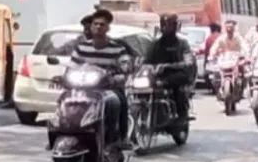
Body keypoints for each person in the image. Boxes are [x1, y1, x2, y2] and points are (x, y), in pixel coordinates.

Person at [70, 8, 133, 150]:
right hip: (83, 87)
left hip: (107, 88)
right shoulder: (81, 47)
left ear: (108, 27)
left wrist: (118, 77)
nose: (98, 27)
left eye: (102, 24)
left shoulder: (117, 49)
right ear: (90, 27)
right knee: (65, 99)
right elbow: (72, 66)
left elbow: (124, 68)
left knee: (118, 101)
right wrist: (64, 77)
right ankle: (60, 132)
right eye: (95, 24)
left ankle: (119, 138)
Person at [141, 14, 195, 144]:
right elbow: (146, 60)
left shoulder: (182, 44)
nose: (166, 28)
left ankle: (181, 116)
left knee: (177, 86)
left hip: (178, 74)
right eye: (164, 24)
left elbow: (188, 61)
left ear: (176, 26)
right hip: (158, 75)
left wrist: (171, 66)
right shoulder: (155, 44)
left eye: (170, 24)